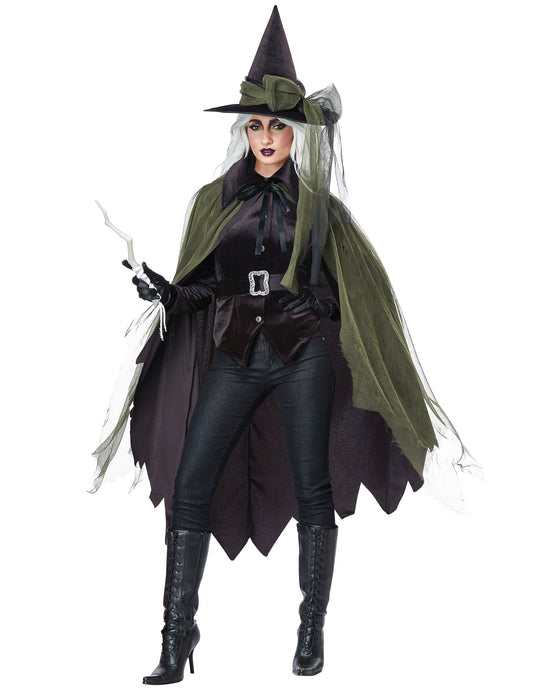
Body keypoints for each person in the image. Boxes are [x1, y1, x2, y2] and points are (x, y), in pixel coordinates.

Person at [92, 5, 478, 684]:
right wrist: (170, 293)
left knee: (311, 486)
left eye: (277, 126)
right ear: (244, 131)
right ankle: (176, 638)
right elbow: (205, 284)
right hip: (235, 354)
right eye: (256, 125)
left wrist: (318, 303)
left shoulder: (321, 209)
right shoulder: (214, 200)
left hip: (301, 356)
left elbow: (353, 291)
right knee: (190, 484)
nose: (266, 137)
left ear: (295, 134)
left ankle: (309, 630)